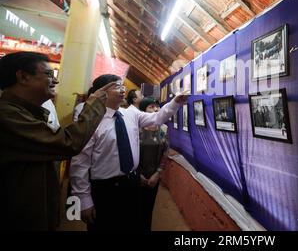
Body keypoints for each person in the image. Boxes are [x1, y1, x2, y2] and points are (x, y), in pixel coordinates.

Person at [0, 51, 114, 230]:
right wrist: (93, 106)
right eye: (48, 74)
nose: (56, 80)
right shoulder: (7, 116)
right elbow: (68, 144)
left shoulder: (30, 111)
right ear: (23, 77)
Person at [69, 74, 188, 231]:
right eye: (116, 86)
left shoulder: (130, 114)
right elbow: (80, 162)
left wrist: (175, 103)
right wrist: (83, 199)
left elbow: (157, 118)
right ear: (101, 92)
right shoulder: (91, 121)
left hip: (132, 183)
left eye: (122, 85)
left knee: (133, 224)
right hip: (105, 189)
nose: (123, 89)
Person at [138, 97, 169, 231]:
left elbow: (165, 153)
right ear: (143, 111)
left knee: (148, 209)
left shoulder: (163, 129)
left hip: (154, 177)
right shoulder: (135, 128)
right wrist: (138, 174)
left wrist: (158, 173)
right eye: (151, 107)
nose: (156, 109)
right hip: (135, 176)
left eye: (157, 106)